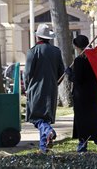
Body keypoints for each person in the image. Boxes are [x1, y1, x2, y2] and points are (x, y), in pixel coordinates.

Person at [65, 35, 97, 152]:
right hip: (93, 95)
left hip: (81, 97)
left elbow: (78, 79)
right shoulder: (94, 59)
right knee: (93, 119)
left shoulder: (79, 60)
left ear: (77, 46)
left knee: (82, 121)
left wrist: (69, 74)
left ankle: (86, 143)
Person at [24, 24, 65, 153]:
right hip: (52, 88)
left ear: (38, 37)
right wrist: (55, 83)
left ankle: (48, 131)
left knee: (36, 117)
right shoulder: (56, 51)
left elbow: (27, 73)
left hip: (35, 89)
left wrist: (27, 88)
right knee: (45, 118)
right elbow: (62, 72)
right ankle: (43, 147)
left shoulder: (33, 51)